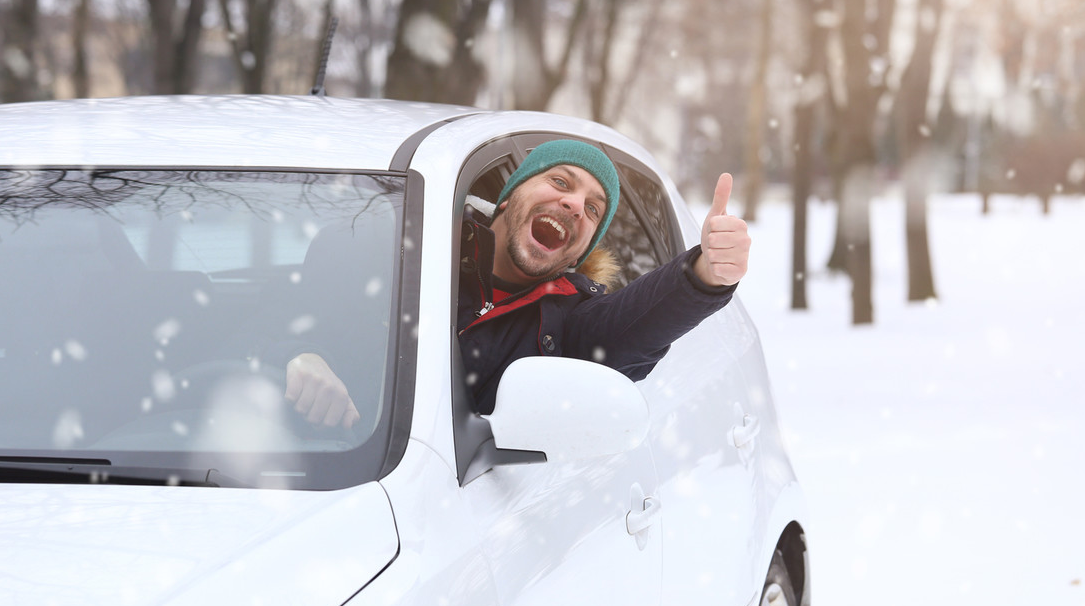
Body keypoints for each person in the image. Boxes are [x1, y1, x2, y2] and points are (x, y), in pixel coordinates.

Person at [284, 139, 751, 422]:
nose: (575, 205)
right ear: (508, 198)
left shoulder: (570, 323)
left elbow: (636, 325)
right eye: (561, 182)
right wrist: (303, 354)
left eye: (593, 209)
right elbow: (281, 317)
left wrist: (703, 275)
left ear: (581, 251)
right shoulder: (401, 251)